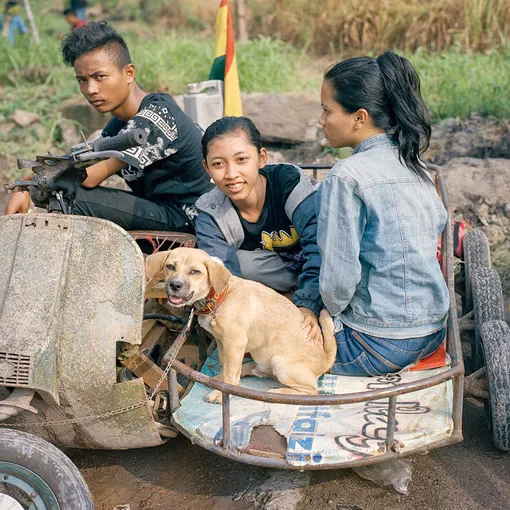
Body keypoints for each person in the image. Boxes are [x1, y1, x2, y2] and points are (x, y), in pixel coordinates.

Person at [5, 21, 213, 233]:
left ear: (129, 73)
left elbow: (88, 176)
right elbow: (78, 160)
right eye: (82, 80)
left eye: (99, 77)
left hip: (193, 218)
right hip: (163, 210)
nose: (91, 89)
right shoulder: (119, 124)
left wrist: (28, 183)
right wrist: (27, 182)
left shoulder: (155, 117)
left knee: (69, 192)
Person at [316, 51, 449, 376]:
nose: (321, 120)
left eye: (326, 110)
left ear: (359, 117)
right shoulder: (416, 165)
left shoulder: (346, 177)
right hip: (432, 331)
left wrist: (318, 311)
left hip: (376, 342)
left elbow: (338, 282)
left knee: (273, 332)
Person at [195, 116, 323, 343]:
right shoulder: (211, 213)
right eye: (218, 164)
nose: (231, 174)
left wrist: (308, 306)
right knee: (230, 264)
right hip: (278, 274)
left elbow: (320, 248)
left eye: (242, 159)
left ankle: (304, 299)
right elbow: (225, 279)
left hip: (318, 268)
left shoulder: (288, 184)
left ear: (261, 158)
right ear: (207, 167)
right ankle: (285, 302)